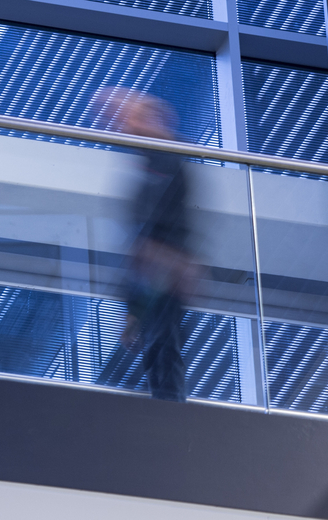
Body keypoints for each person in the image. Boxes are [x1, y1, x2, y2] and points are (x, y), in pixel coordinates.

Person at [93, 87, 196, 402]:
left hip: (164, 264)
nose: (121, 125)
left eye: (126, 117)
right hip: (154, 268)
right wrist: (133, 313)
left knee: (163, 342)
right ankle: (166, 407)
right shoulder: (148, 164)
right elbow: (141, 238)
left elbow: (160, 228)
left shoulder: (166, 158)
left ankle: (169, 410)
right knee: (158, 343)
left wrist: (171, 260)